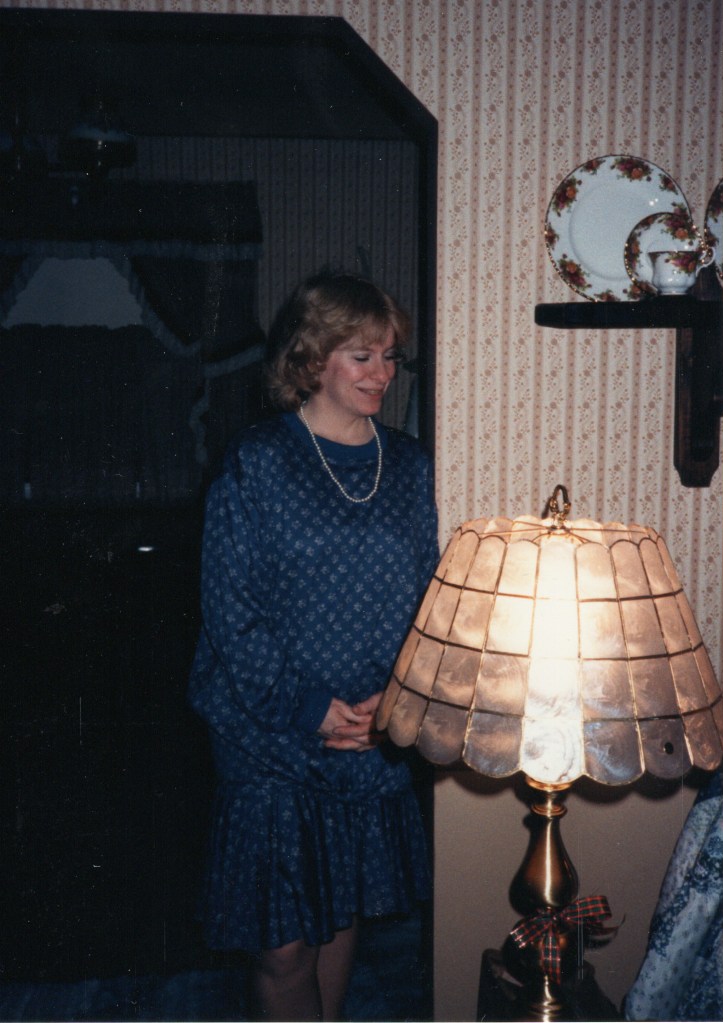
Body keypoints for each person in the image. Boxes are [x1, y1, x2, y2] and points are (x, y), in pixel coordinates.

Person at [188, 270, 439, 1022]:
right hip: (270, 737)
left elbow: (431, 597)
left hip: (369, 736)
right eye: (362, 356)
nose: (382, 374)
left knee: (338, 910)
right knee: (282, 946)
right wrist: (309, 708)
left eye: (390, 356)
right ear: (311, 357)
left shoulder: (412, 465)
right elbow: (230, 611)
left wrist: (397, 702)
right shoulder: (258, 461)